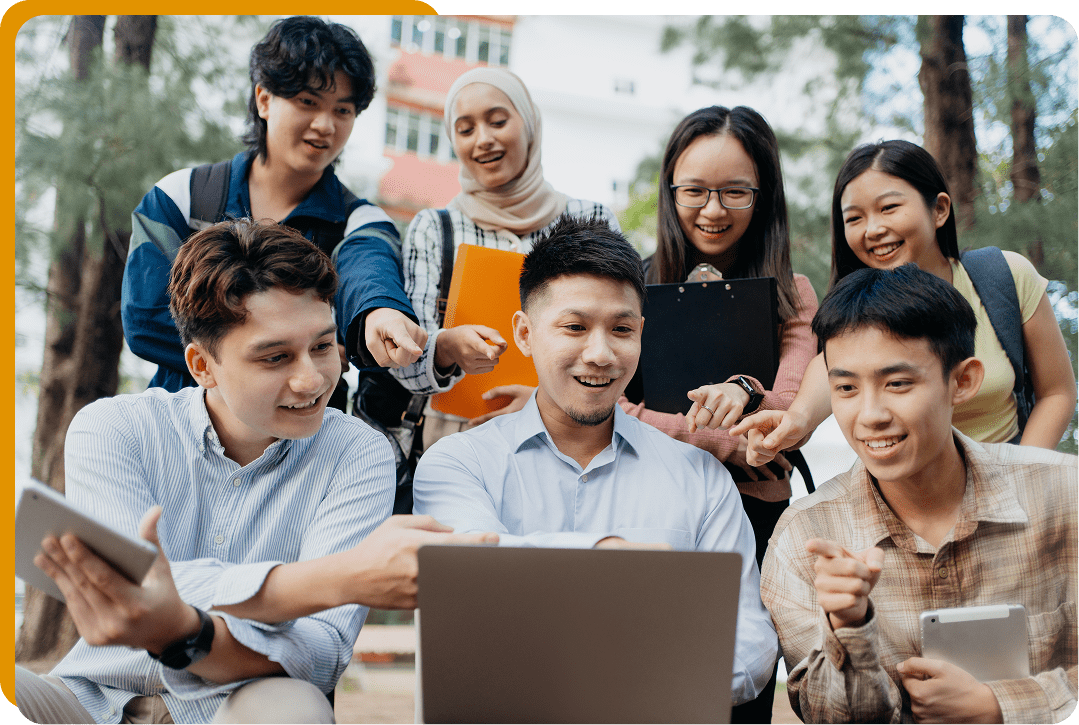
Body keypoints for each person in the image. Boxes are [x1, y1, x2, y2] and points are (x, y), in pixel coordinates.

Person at [16, 219, 496, 725]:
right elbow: (129, 588)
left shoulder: (359, 453)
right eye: (275, 357)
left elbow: (319, 653)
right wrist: (337, 578)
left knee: (295, 709)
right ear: (202, 366)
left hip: (244, 703)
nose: (312, 379)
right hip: (90, 698)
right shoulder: (115, 429)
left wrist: (184, 627)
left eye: (323, 346)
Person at [413, 215, 778, 708]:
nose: (600, 353)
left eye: (621, 329)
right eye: (574, 327)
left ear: (642, 334)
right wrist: (617, 559)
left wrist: (646, 687)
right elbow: (475, 583)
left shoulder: (702, 478)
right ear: (524, 333)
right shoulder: (457, 464)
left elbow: (750, 638)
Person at [761, 264, 1077, 724]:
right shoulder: (804, 537)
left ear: (962, 381)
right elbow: (831, 717)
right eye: (846, 388)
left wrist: (1001, 705)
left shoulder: (1065, 496)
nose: (870, 415)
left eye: (898, 383)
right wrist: (848, 628)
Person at [122, 16, 426, 397]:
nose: (325, 125)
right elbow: (145, 321)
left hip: (301, 443)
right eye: (307, 102)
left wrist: (381, 312)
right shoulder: (182, 196)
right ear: (264, 99)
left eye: (342, 110)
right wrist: (290, 352)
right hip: (183, 432)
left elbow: (370, 272)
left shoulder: (359, 221)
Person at [732, 140, 1076, 463]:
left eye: (889, 208)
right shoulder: (857, 310)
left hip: (1011, 482)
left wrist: (1022, 474)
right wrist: (796, 420)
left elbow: (1057, 393)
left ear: (939, 209)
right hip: (907, 496)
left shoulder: (1006, 276)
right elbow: (829, 368)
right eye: (854, 218)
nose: (873, 229)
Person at [620, 105, 819, 567]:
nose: (712, 210)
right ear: (670, 191)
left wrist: (745, 394)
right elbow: (608, 409)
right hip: (646, 504)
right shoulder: (629, 287)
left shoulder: (795, 294)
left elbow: (790, 407)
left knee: (749, 637)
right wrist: (729, 445)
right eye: (693, 191)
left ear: (763, 194)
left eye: (734, 192)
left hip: (758, 514)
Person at [392, 67, 620, 448]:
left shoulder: (591, 221)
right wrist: (446, 346)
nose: (483, 140)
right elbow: (406, 362)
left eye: (497, 121)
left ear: (529, 123)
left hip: (567, 437)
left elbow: (612, 336)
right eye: (465, 130)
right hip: (460, 439)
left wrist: (541, 407)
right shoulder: (434, 229)